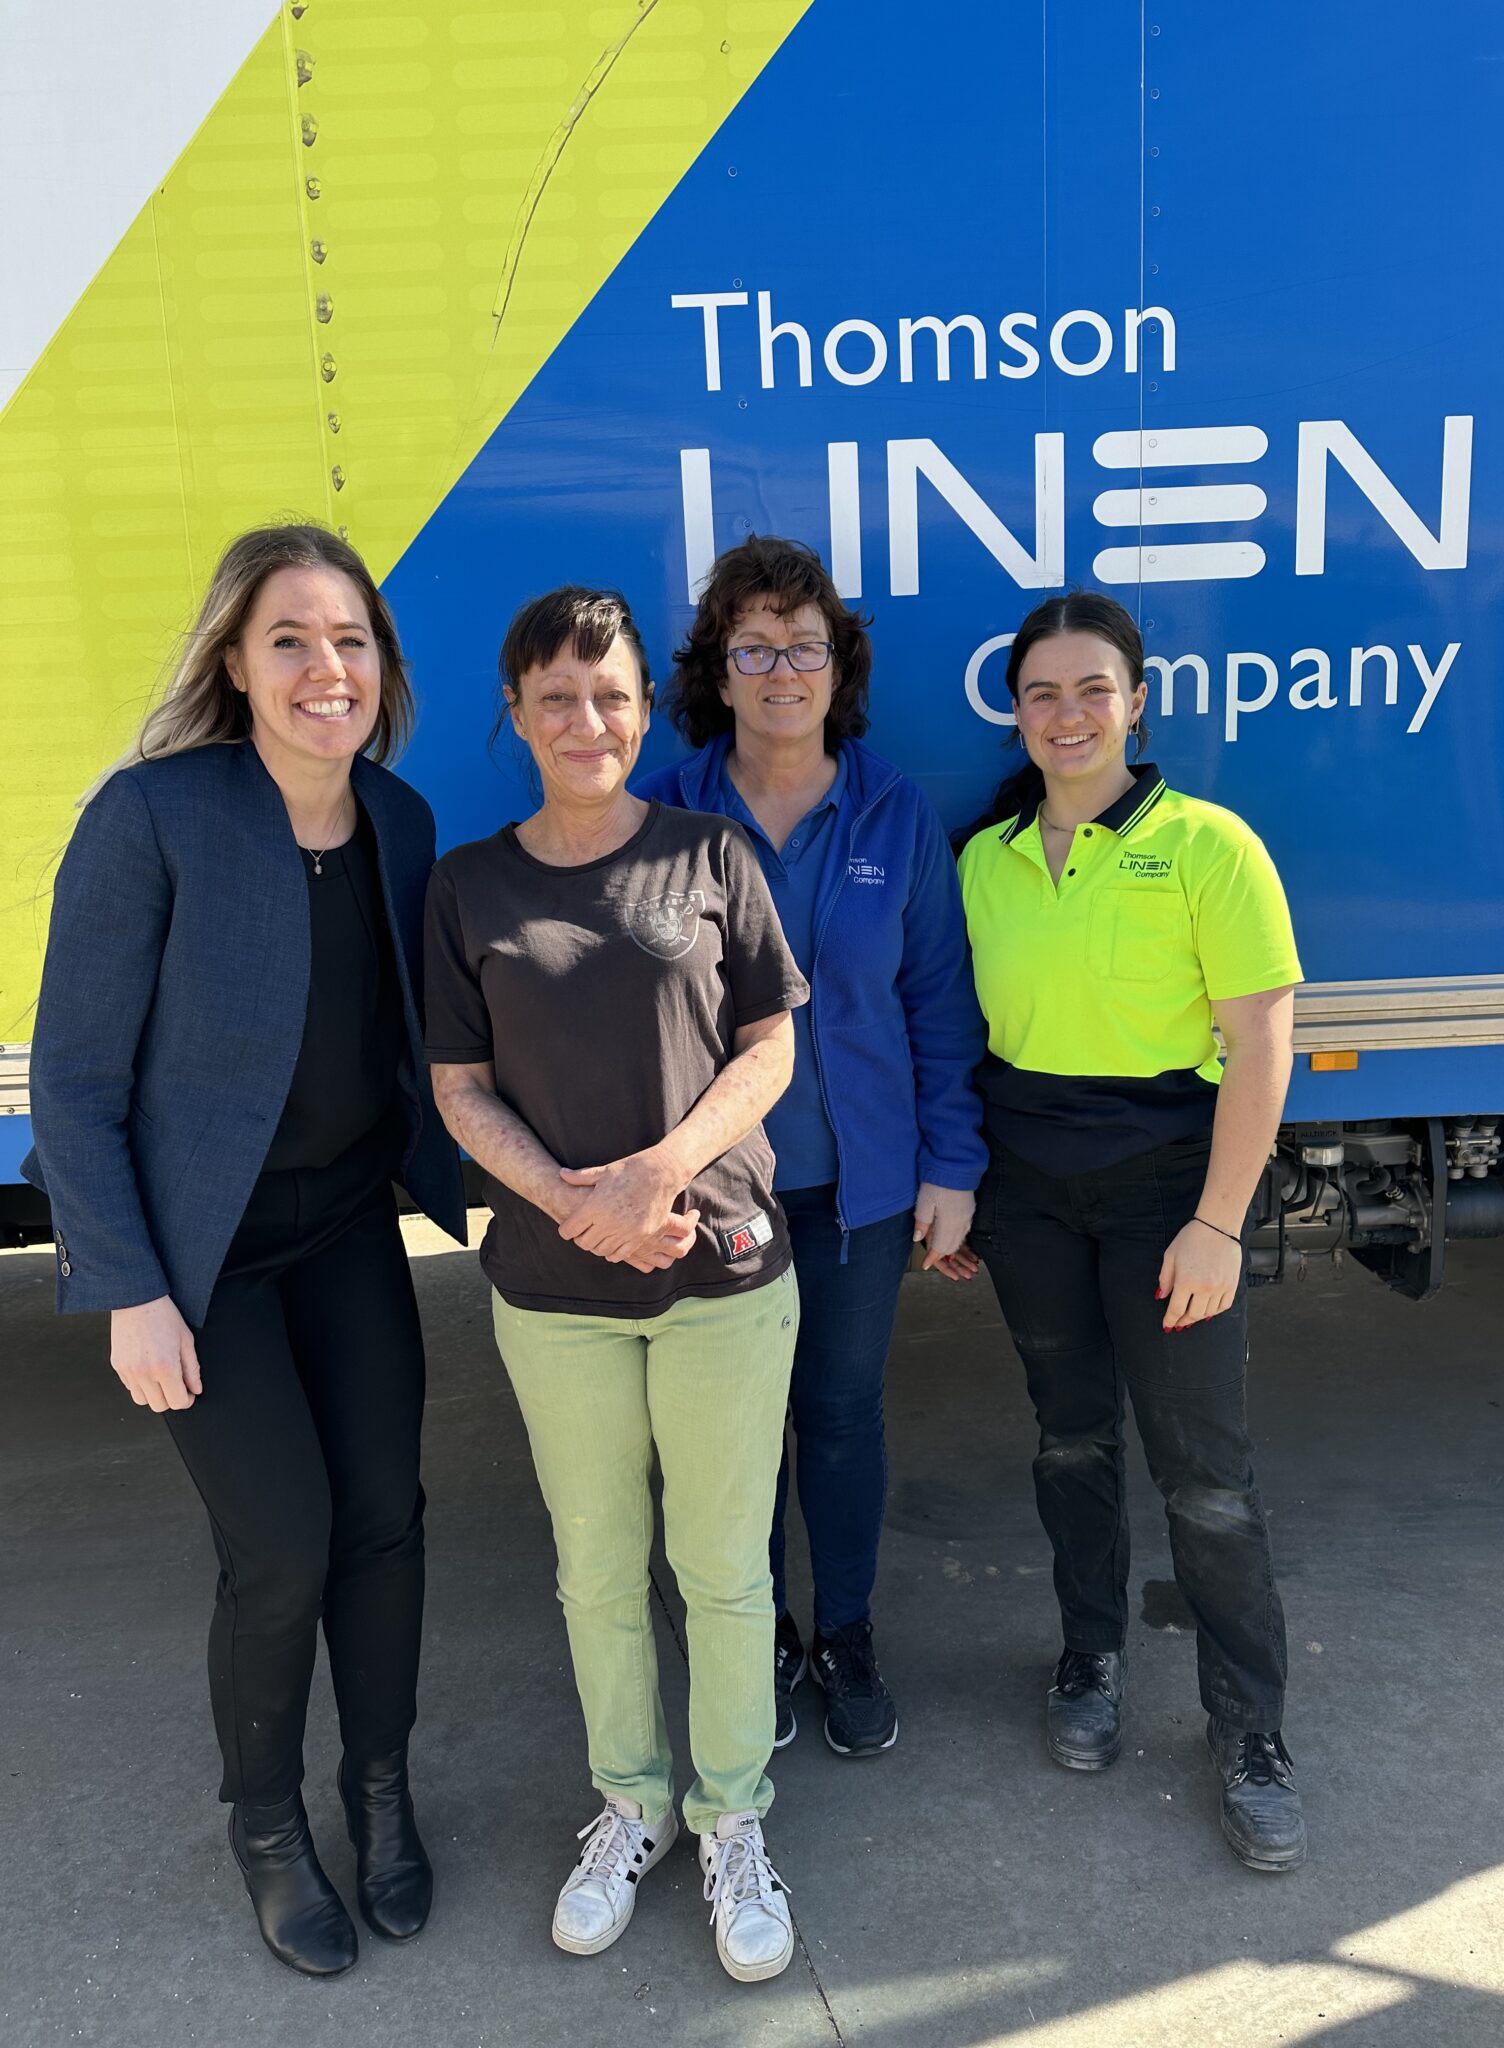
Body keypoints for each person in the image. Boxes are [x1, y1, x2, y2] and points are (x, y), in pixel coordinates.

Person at [24, 524, 467, 1976]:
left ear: (382, 669)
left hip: (344, 1229)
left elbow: (420, 1060)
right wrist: (129, 1291)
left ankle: (380, 1792)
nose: (324, 668)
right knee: (280, 1549)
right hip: (204, 1263)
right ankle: (268, 1825)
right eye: (290, 639)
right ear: (234, 661)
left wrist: (543, 1195)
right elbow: (75, 1087)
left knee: (386, 1523)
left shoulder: (399, 823)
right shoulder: (153, 816)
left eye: (350, 641)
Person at [425, 586, 808, 1983]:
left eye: (612, 695)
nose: (586, 721)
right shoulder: (469, 884)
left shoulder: (712, 854)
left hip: (719, 1271)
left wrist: (659, 1178)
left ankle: (732, 1819)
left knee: (719, 1571)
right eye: (556, 697)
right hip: (551, 1285)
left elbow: (769, 1047)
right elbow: (458, 1089)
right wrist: (577, 1207)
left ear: (647, 711)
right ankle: (632, 1805)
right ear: (516, 716)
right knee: (595, 1570)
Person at [955, 590, 1306, 1873]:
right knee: (1069, 1438)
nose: (1066, 714)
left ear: (1138, 699)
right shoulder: (980, 857)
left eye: (1092, 688)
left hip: (1170, 1191)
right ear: (1016, 708)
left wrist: (1221, 1221)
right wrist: (960, 1185)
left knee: (1205, 1474)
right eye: (1041, 691)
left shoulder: (1210, 845)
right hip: (1029, 1187)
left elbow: (1262, 1043)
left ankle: (1251, 1728)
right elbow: (956, 1035)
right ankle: (1090, 1656)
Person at [636, 536, 986, 1757]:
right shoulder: (664, 812)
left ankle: (845, 1633)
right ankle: (759, 1638)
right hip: (714, 1191)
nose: (782, 668)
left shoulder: (891, 811)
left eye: (806, 645)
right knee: (729, 1434)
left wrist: (952, 1167)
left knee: (838, 1415)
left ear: (838, 667)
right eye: (754, 646)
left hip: (861, 1190)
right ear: (716, 672)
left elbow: (938, 1002)